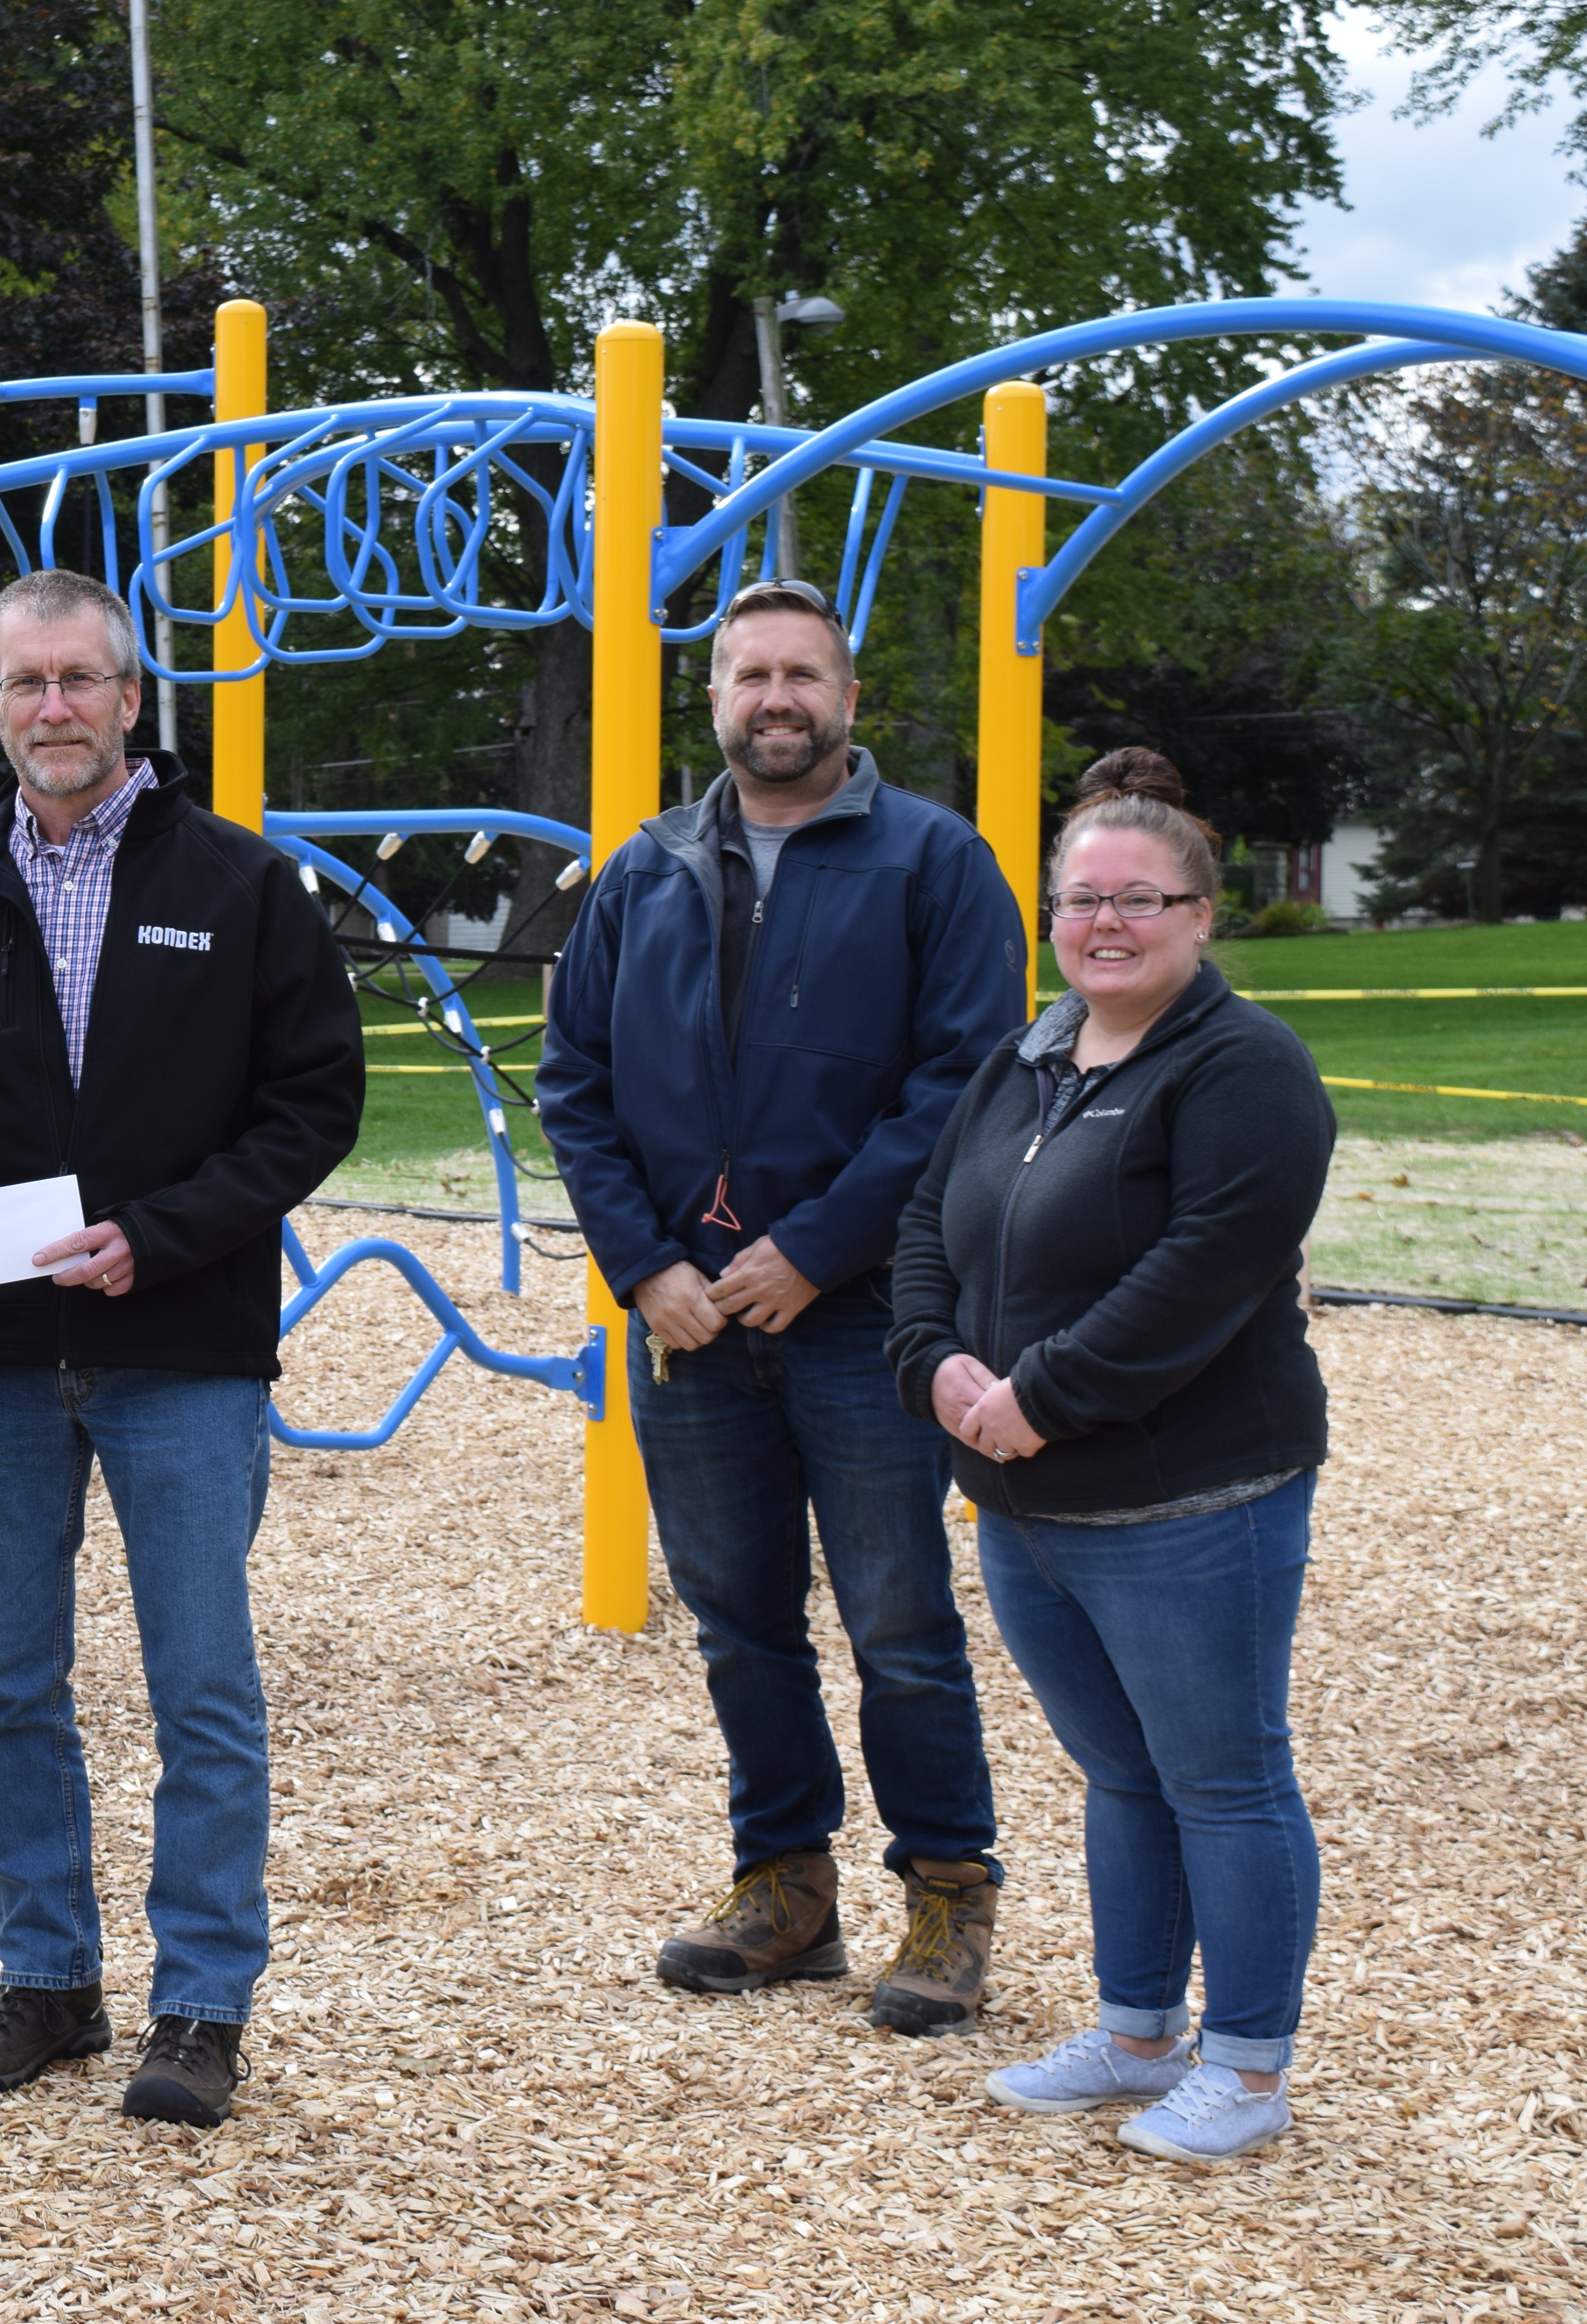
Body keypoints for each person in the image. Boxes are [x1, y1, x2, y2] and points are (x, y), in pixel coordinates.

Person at [0, 565, 364, 2128]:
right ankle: (49, 1982)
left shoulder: (238, 887)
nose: (56, 709)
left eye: (84, 681)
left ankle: (201, 2007)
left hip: (182, 1351)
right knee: (13, 1687)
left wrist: (166, 1234)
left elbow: (313, 1106)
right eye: (28, 685)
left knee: (204, 1686)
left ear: (133, 699)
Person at [535, 574, 1025, 2036]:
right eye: (752, 676)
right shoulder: (645, 870)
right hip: (688, 1317)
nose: (777, 700)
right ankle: (786, 1886)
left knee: (898, 1616)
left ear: (849, 696)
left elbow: (961, 1084)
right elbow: (577, 1082)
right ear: (716, 698)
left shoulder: (936, 864)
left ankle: (946, 1888)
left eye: (803, 675)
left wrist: (811, 1250)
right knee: (741, 1616)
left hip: (858, 1309)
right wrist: (646, 1267)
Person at [889, 748, 1333, 2161]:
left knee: (1224, 1774)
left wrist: (1042, 1396)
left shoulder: (1245, 1069)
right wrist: (935, 1364)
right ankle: (1139, 2030)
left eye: (1143, 899)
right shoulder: (1026, 1054)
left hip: (1189, 1496)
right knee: (1122, 1773)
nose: (1108, 923)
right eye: (1083, 899)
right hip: (1027, 1498)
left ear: (1205, 914)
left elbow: (1204, 1273)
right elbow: (924, 1224)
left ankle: (1249, 2066)